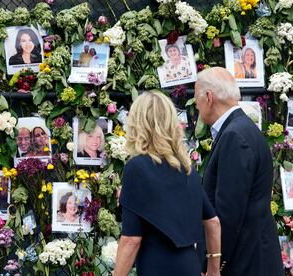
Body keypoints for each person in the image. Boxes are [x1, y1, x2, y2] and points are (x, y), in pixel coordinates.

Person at [114, 92, 221, 276]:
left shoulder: (136, 168)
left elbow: (131, 240)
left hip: (156, 268)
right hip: (190, 266)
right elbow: (213, 222)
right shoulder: (186, 167)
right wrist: (213, 269)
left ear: (138, 124)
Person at [194, 67, 283, 276]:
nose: (196, 106)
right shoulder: (242, 128)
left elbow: (229, 212)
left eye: (196, 98)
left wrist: (215, 264)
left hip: (246, 262)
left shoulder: (235, 135)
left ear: (209, 97)